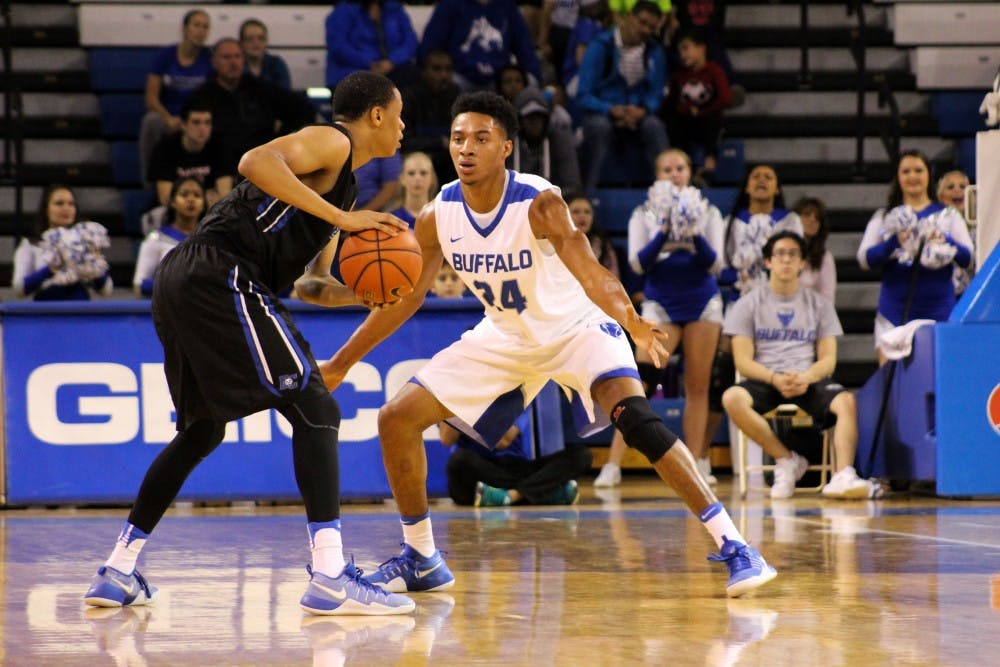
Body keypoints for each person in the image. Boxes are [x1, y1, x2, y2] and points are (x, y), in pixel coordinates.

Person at [322, 91, 777, 598]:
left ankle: (736, 546)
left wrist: (631, 321)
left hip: (575, 328)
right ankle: (421, 557)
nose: (465, 148)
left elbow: (590, 270)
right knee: (394, 418)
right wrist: (342, 362)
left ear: (507, 148)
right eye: (457, 138)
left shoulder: (539, 202)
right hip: (505, 335)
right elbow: (405, 299)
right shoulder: (436, 215)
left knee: (637, 419)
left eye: (480, 138)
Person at [82, 71, 415, 616]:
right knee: (316, 406)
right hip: (221, 271)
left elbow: (311, 284)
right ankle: (330, 574)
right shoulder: (334, 141)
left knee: (202, 430)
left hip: (185, 278)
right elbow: (254, 161)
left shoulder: (343, 185)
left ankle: (118, 569)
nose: (404, 128)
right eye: (399, 116)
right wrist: (340, 217)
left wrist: (370, 295)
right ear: (376, 115)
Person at [595, 149, 724, 488]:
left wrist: (694, 232)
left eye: (680, 168)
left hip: (702, 303)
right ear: (657, 175)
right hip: (662, 303)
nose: (674, 174)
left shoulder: (708, 211)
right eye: (667, 169)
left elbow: (717, 264)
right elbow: (639, 263)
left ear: (689, 171)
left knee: (698, 385)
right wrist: (666, 230)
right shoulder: (643, 214)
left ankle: (695, 464)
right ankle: (613, 464)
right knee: (640, 383)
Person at [722, 231, 874, 499]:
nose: (786, 260)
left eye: (793, 254)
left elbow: (828, 359)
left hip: (807, 376)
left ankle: (843, 474)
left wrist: (806, 376)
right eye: (780, 254)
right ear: (768, 262)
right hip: (767, 378)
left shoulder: (819, 304)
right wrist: (773, 378)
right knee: (732, 397)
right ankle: (786, 460)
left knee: (847, 402)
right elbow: (742, 361)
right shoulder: (748, 304)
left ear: (802, 263)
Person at [857, 149, 973, 366]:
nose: (913, 176)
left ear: (928, 174)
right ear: (898, 177)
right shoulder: (885, 216)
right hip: (894, 314)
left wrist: (945, 239)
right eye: (906, 171)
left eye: (918, 170)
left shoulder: (948, 215)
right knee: (891, 389)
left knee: (939, 382)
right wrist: (893, 243)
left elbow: (967, 258)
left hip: (940, 312)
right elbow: (865, 259)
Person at [576, 0, 670, 192]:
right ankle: (587, 194)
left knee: (655, 126)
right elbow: (583, 94)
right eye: (642, 22)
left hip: (637, 114)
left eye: (651, 27)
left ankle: (668, 193)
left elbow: (656, 94)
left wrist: (643, 110)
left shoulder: (655, 51)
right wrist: (610, 109)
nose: (645, 30)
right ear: (629, 18)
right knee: (599, 127)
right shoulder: (600, 46)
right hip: (603, 113)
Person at [189, 38, 316, 173]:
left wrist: (282, 142)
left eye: (237, 56)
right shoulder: (202, 95)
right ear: (214, 62)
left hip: (263, 165)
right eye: (226, 57)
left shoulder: (261, 89)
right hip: (219, 168)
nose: (233, 62)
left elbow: (304, 109)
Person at [440, 406, 591, 506]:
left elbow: (502, 440)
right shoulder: (457, 394)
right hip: (481, 468)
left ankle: (510, 496)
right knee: (458, 461)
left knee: (581, 455)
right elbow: (446, 438)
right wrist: (461, 401)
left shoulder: (515, 393)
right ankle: (542, 493)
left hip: (514, 466)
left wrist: (476, 409)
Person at [138, 9, 213, 185]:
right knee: (151, 121)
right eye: (196, 25)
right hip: (167, 116)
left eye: (205, 27)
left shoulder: (209, 58)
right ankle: (150, 183)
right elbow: (151, 98)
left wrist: (188, 121)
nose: (200, 31)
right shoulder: (165, 56)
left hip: (195, 116)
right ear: (185, 28)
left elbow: (210, 97)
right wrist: (169, 119)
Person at [12, 184, 113, 301]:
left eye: (71, 204)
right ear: (46, 208)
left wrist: (94, 265)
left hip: (81, 314)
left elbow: (106, 290)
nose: (66, 208)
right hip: (46, 314)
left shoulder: (86, 243)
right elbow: (18, 289)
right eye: (59, 203)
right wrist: (50, 269)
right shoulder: (31, 245)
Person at [418, 0, 542, 92]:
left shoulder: (508, 6)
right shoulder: (450, 4)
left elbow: (525, 49)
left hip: (499, 81)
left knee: (531, 82)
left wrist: (535, 77)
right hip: (459, 77)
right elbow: (430, 47)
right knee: (440, 79)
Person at [662, 29, 732, 176]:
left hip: (707, 118)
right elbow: (670, 101)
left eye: (686, 48)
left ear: (701, 48)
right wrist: (684, 110)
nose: (682, 55)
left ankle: (709, 165)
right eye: (680, 50)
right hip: (686, 121)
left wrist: (701, 112)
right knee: (673, 122)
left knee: (714, 120)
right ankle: (684, 167)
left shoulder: (714, 71)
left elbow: (725, 98)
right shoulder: (679, 74)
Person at [148, 100, 233, 209]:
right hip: (172, 214)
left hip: (209, 213)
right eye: (196, 122)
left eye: (207, 122)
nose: (202, 128)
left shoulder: (220, 148)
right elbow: (166, 200)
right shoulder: (165, 148)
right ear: (183, 124)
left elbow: (225, 198)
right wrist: (202, 199)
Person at [132, 178, 207, 296]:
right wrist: (176, 282)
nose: (191, 200)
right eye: (184, 194)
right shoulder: (156, 239)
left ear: (203, 204)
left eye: (197, 195)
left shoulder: (211, 240)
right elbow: (139, 285)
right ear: (173, 202)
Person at [324, 0, 419, 90]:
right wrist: (370, 63)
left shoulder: (395, 9)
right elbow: (339, 47)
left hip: (391, 68)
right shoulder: (343, 11)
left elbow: (410, 42)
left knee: (413, 77)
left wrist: (391, 61)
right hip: (352, 71)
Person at [401, 50, 462, 184]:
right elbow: (403, 142)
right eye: (436, 69)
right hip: (417, 158)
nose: (443, 75)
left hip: (449, 161)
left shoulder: (457, 95)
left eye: (448, 69)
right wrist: (440, 142)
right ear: (424, 71)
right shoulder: (409, 96)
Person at [511, 88, 582, 191]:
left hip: (552, 203)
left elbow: (571, 184)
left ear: (546, 118)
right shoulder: (507, 143)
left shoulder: (560, 140)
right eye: (529, 117)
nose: (535, 122)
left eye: (539, 117)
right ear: (519, 119)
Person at [936, 169, 975, 295]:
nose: (957, 190)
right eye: (950, 186)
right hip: (942, 296)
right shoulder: (934, 227)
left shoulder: (979, 230)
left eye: (963, 187)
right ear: (941, 196)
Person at [792, 196, 836, 302]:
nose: (813, 219)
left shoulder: (825, 257)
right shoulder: (780, 251)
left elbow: (828, 299)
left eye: (818, 217)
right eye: (807, 214)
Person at [565, 190, 619, 278]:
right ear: (565, 215)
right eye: (576, 212)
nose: (582, 216)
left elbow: (612, 282)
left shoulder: (603, 245)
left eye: (587, 212)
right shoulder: (555, 244)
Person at [240, 18, 292, 90]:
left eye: (261, 38)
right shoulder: (236, 66)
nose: (256, 43)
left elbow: (285, 95)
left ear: (266, 42)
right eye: (250, 38)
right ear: (241, 42)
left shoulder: (276, 64)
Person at [391, 151, 439, 228]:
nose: (417, 178)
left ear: (432, 179)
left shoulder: (442, 217)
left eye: (423, 173)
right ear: (402, 178)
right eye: (411, 173)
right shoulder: (392, 219)